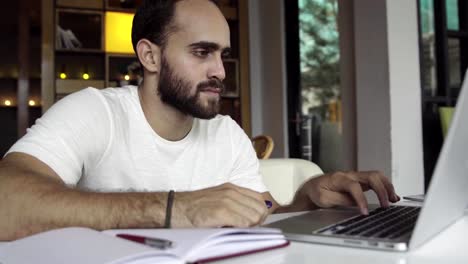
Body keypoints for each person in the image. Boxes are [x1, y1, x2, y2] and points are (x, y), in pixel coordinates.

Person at [0, 0, 399, 241]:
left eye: (222, 54)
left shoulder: (225, 132)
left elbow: (259, 211)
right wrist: (175, 209)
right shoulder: (96, 112)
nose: (220, 72)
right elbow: (7, 203)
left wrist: (307, 198)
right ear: (150, 56)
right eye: (202, 52)